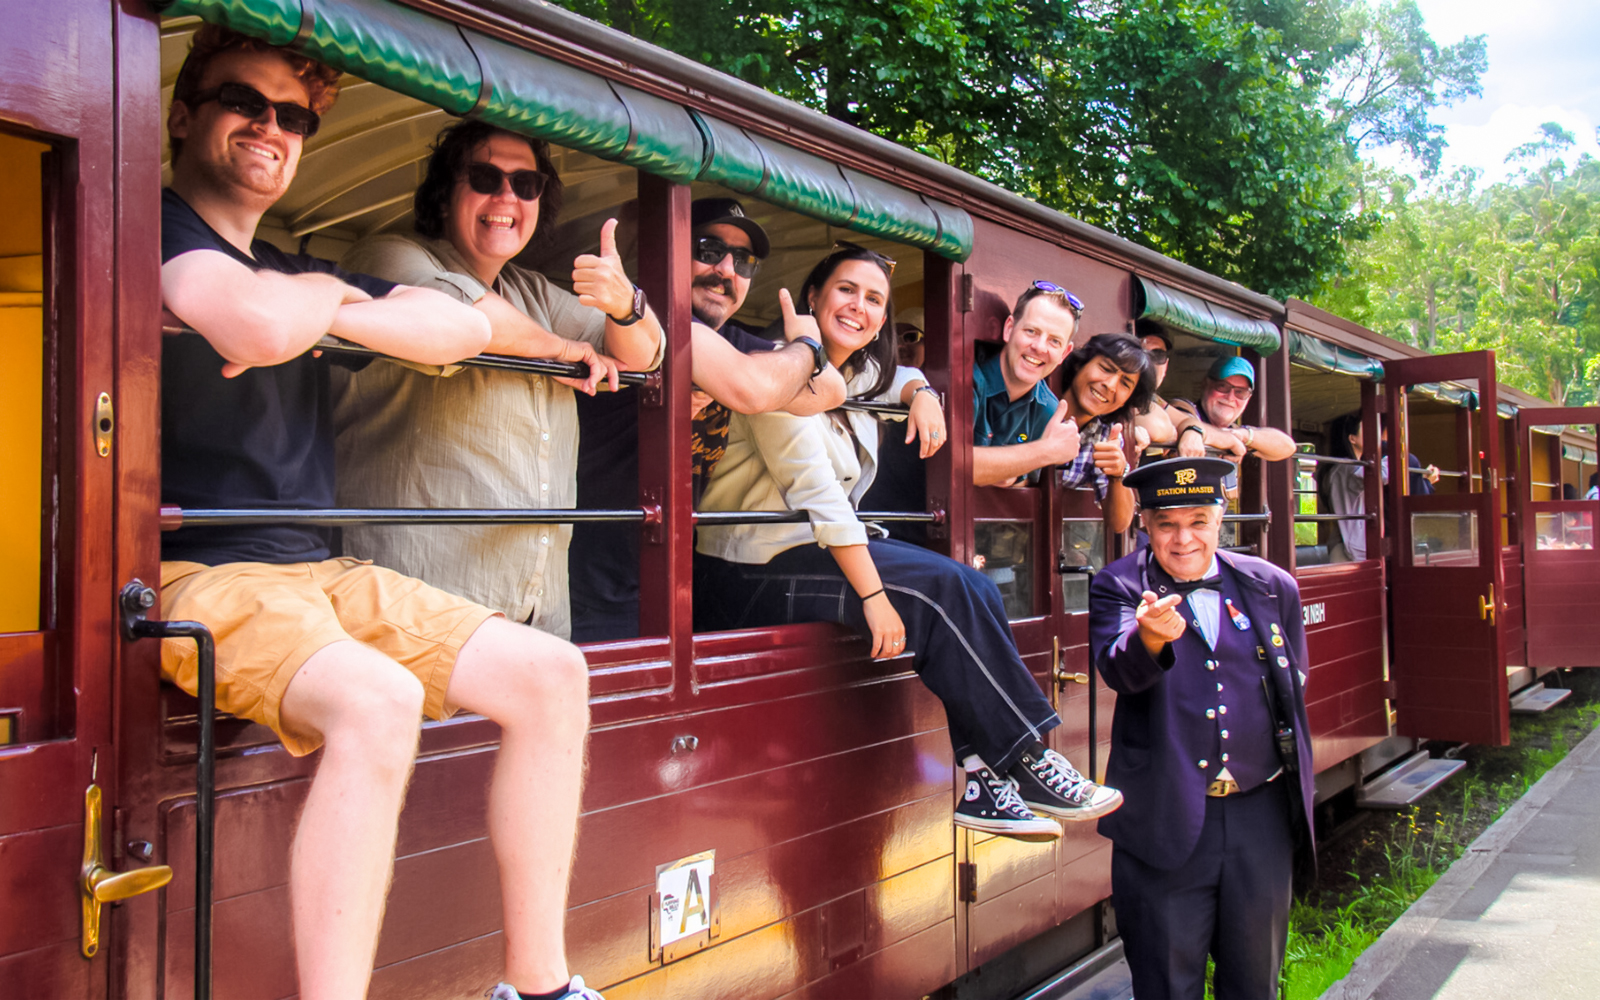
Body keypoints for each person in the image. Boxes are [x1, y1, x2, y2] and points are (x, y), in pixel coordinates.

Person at [158, 26, 601, 1000]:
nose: (270, 126)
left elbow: (459, 325)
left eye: (293, 115)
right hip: (200, 569)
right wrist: (321, 307)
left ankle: (537, 986)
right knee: (378, 699)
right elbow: (252, 322)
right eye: (244, 101)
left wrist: (319, 300)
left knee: (551, 675)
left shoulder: (286, 262)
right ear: (184, 115)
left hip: (320, 569)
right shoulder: (154, 228)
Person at [695, 245, 1122, 839]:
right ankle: (1028, 760)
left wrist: (922, 392)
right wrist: (873, 596)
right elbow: (818, 493)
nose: (860, 307)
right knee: (943, 587)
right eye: (846, 291)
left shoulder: (858, 376)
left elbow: (896, 374)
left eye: (875, 299)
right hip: (750, 566)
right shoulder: (779, 370)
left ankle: (983, 780)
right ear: (814, 296)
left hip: (809, 549)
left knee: (972, 584)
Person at [333, 120, 664, 640]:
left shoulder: (531, 291)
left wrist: (627, 304)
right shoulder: (387, 256)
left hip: (538, 604)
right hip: (415, 596)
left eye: (526, 184)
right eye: (485, 177)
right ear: (445, 195)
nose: (507, 195)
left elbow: (645, 354)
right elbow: (465, 315)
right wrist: (563, 350)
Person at [567, 198, 852, 641]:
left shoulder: (734, 341)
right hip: (593, 583)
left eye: (743, 261)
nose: (726, 270)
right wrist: (808, 350)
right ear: (669, 254)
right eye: (708, 248)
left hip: (670, 577)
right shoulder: (655, 323)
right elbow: (754, 389)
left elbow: (833, 390)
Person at [1088, 457, 1315, 1000]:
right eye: (1167, 524)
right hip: (1163, 818)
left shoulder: (1270, 586)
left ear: (1222, 517)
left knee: (1256, 982)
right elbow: (1117, 668)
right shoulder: (1117, 584)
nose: (1183, 538)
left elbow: (1293, 683)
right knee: (1167, 983)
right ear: (1144, 523)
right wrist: (1151, 638)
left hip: (1259, 813)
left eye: (1198, 521)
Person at [971, 284, 1149, 533]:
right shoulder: (971, 376)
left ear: (1064, 352)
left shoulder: (1067, 418)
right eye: (1032, 331)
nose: (1109, 385)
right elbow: (959, 465)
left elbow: (1119, 524)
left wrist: (1118, 473)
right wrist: (1044, 452)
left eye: (1054, 340)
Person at [1322, 412, 1440, 563]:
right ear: (1352, 439)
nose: (1374, 435)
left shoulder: (1339, 468)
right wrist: (1403, 456)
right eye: (1367, 429)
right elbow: (1380, 474)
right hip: (1355, 547)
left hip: (1345, 543)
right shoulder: (1348, 469)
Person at [1171, 356, 1297, 465]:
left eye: (1240, 392)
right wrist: (1228, 439)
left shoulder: (1235, 432)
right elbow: (1183, 422)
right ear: (1206, 384)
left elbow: (1287, 447)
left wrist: (1244, 435)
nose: (1230, 398)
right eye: (1222, 386)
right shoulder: (1184, 408)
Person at [1131, 318, 1179, 448]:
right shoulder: (1118, 393)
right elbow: (1156, 426)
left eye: (1158, 355)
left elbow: (1188, 421)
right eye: (1143, 353)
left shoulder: (1153, 399)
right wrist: (1172, 434)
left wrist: (1193, 431)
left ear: (1166, 366)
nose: (1150, 362)